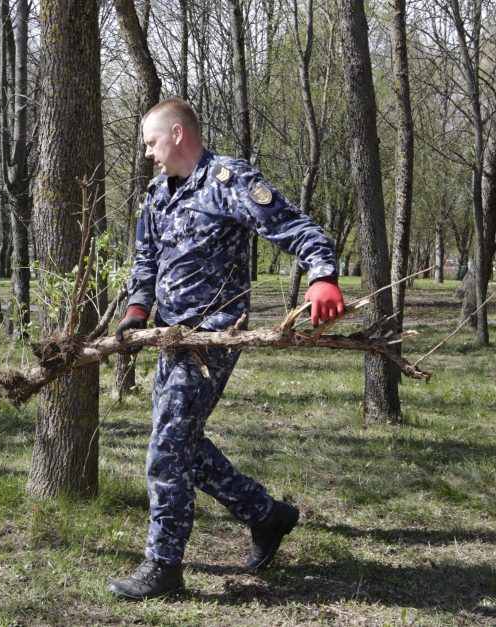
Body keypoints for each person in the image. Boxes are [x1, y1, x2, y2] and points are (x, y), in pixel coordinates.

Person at [108, 98, 345, 600]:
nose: (148, 154)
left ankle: (164, 567)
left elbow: (291, 225)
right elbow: (146, 261)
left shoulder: (227, 180)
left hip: (215, 335)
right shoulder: (156, 196)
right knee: (183, 445)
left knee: (167, 447)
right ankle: (266, 515)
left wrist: (322, 274)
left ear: (176, 134)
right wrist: (136, 311)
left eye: (151, 143)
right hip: (171, 339)